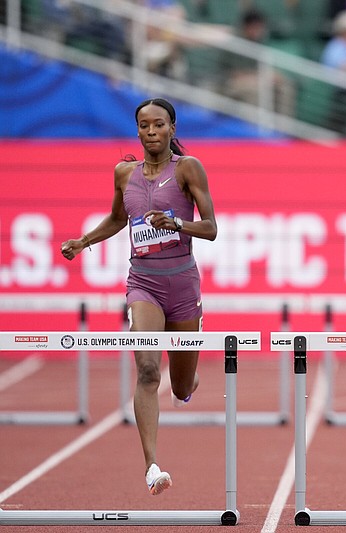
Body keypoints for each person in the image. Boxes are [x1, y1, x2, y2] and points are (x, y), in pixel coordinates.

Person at [60, 98, 217, 495]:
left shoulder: (188, 168)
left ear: (173, 128)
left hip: (183, 286)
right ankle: (152, 467)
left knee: (180, 387)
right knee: (148, 370)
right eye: (144, 126)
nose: (151, 133)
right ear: (138, 131)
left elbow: (211, 227)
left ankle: (188, 378)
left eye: (159, 125)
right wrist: (83, 241)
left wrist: (178, 222)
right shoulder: (123, 173)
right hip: (143, 283)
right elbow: (117, 218)